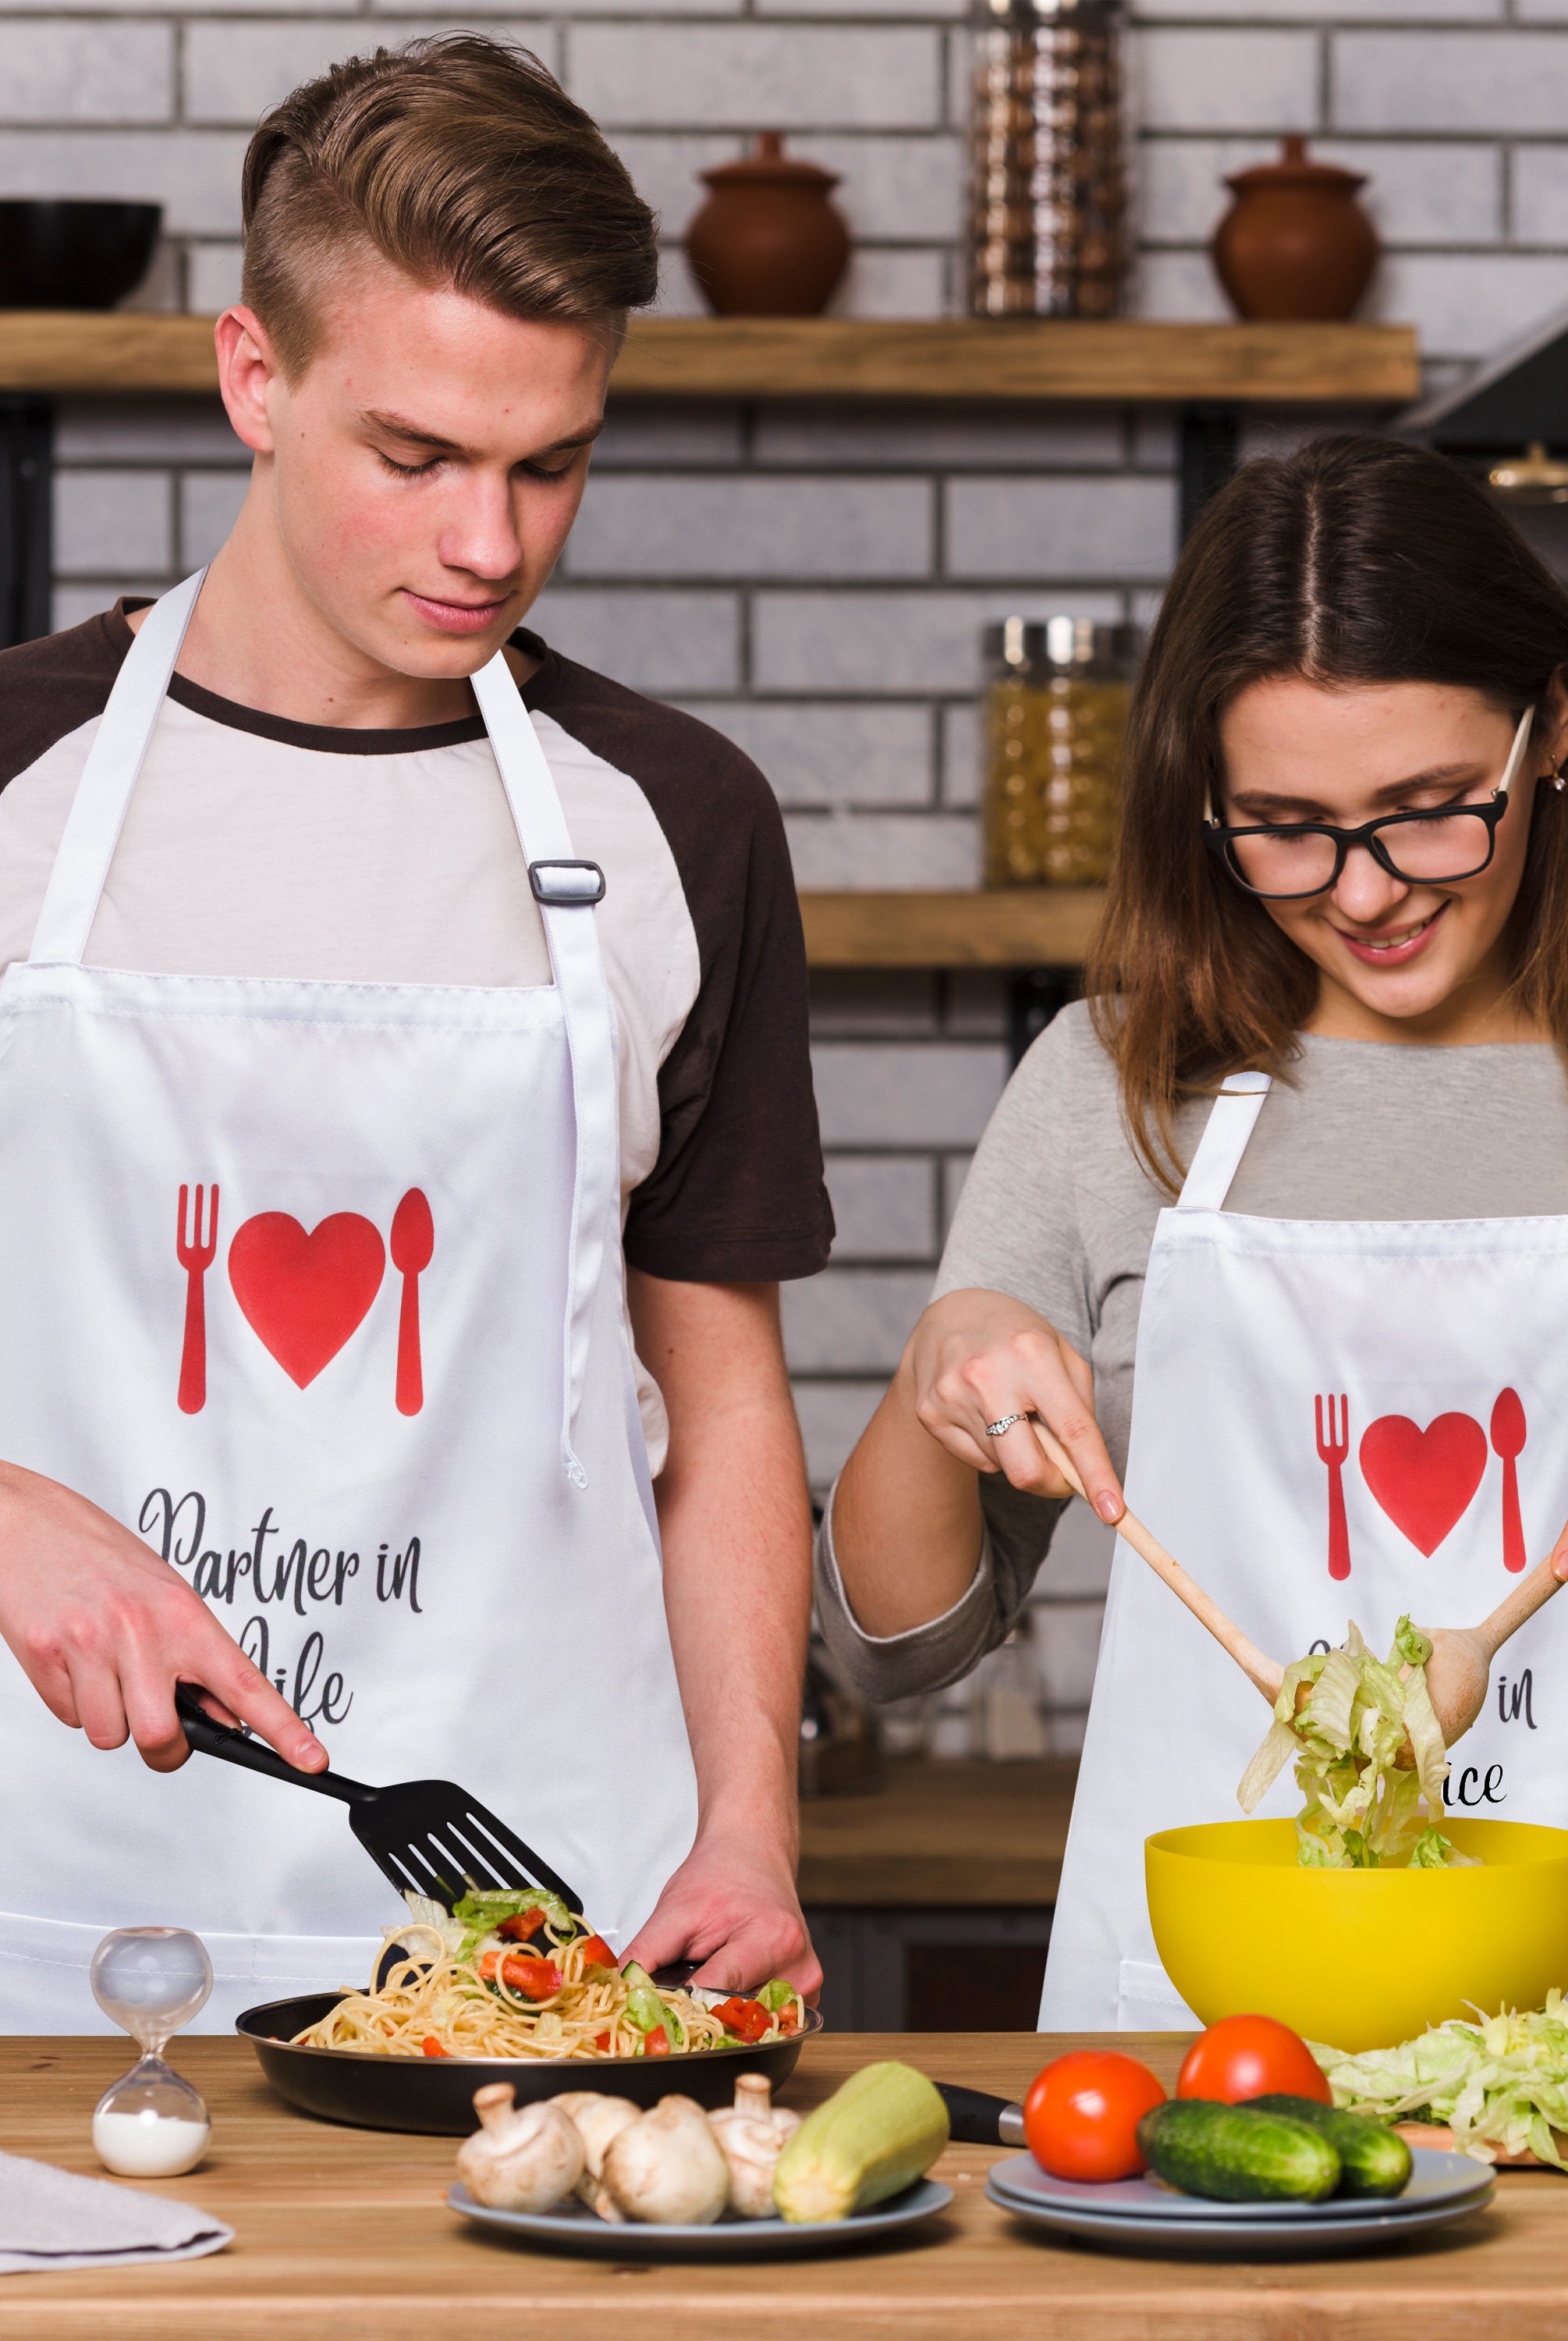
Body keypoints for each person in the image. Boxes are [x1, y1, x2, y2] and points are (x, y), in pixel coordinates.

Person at [0, 34, 831, 2028]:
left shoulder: (672, 818)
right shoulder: (12, 770)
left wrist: (752, 1829)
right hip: (41, 1914)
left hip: (547, 1927)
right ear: (253, 380)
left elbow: (715, 1401)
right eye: (419, 457)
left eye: (552, 463)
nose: (490, 544)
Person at [820, 434, 1568, 2030]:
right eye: (1285, 824)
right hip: (1211, 2042)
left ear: (1552, 732)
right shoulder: (1121, 1083)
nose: (1366, 893)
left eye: (1432, 811)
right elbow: (888, 1641)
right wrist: (935, 1378)